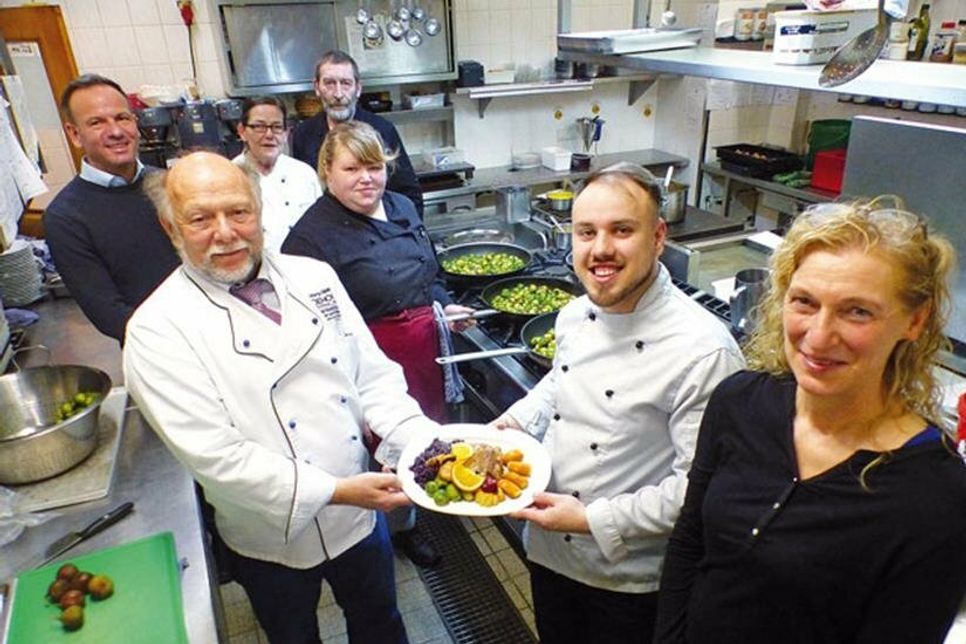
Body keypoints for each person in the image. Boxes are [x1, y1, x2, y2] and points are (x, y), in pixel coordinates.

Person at [125, 151, 439, 644]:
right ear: (171, 228)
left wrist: (421, 441)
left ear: (259, 210)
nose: (226, 233)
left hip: (359, 516)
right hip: (268, 534)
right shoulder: (156, 329)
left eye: (239, 212)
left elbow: (371, 375)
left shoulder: (314, 277)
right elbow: (216, 457)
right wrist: (336, 490)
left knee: (381, 624)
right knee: (292, 636)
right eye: (200, 219)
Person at [654, 198, 966, 643]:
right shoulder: (739, 402)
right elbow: (690, 540)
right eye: (804, 302)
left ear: (915, 321)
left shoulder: (936, 496)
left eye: (857, 311)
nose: (818, 337)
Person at [492, 163, 745, 643]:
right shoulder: (573, 315)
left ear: (658, 237)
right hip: (549, 549)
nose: (601, 249)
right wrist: (515, 424)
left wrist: (590, 519)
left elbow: (697, 490)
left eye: (622, 230)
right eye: (586, 232)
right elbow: (559, 382)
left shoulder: (704, 351)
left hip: (628, 580)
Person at [282, 120, 474, 566]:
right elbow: (306, 326)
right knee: (377, 452)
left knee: (421, 434)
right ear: (327, 172)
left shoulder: (402, 205)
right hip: (365, 360)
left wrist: (444, 304)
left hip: (424, 349)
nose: (365, 179)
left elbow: (429, 270)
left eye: (374, 167)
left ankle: (420, 505)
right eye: (351, 169)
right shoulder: (309, 237)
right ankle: (390, 530)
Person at [44, 74, 179, 342]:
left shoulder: (170, 184)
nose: (116, 132)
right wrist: (179, 341)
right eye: (97, 122)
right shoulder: (65, 217)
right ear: (74, 134)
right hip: (153, 348)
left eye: (122, 118)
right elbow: (108, 314)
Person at [290, 50, 423, 217]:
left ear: (358, 89)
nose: (338, 94)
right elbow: (302, 193)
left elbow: (409, 193)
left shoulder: (381, 130)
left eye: (346, 83)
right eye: (329, 83)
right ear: (317, 88)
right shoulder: (303, 134)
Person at [232, 96, 321, 254]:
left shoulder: (304, 174)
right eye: (259, 127)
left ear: (286, 133)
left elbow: (321, 226)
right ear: (242, 131)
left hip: (304, 262)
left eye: (277, 127)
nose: (269, 135)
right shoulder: (229, 177)